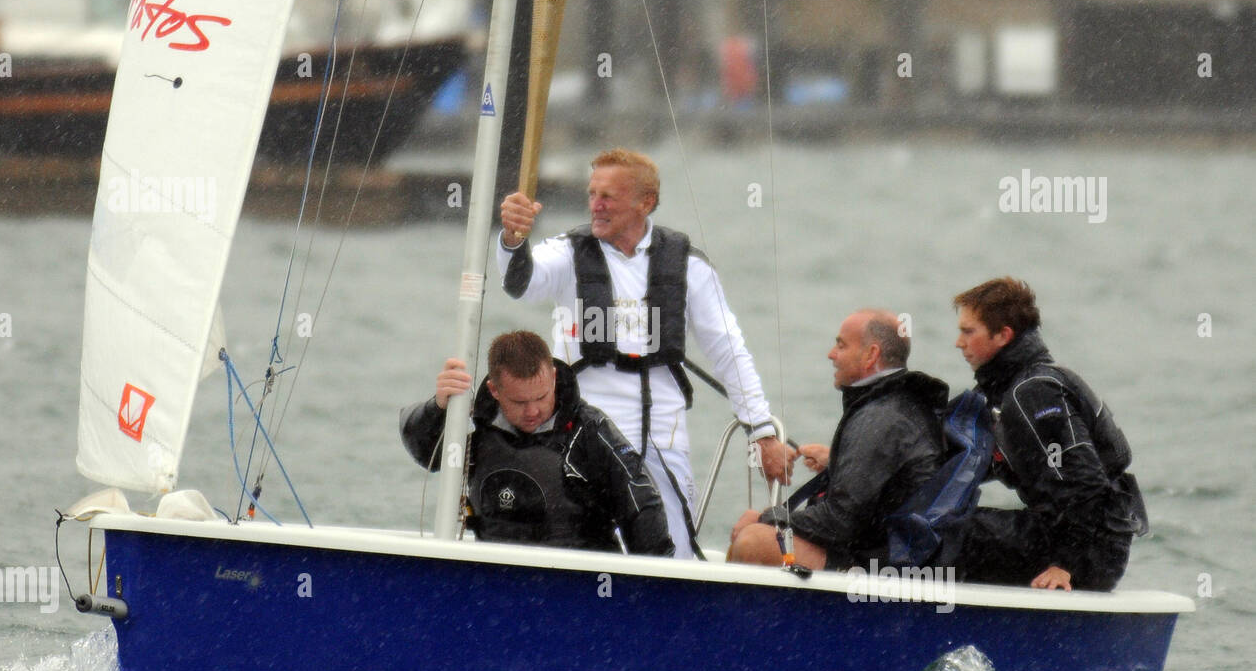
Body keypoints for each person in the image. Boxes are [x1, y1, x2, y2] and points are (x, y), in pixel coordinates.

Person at [496, 148, 791, 559]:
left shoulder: (688, 266)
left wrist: (761, 430)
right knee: (575, 543)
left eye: (608, 197)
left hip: (661, 433)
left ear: (645, 202)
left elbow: (729, 350)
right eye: (592, 193)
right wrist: (513, 239)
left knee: (673, 550)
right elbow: (520, 283)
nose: (595, 205)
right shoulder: (567, 254)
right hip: (583, 431)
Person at [945, 278, 1147, 591]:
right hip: (1061, 533)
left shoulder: (1035, 392)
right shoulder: (999, 393)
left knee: (946, 535)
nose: (959, 342)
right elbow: (955, 457)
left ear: (1003, 335)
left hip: (1090, 550)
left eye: (968, 332)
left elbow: (1086, 485)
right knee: (944, 523)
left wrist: (1065, 564)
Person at [400, 330, 674, 556]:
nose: (533, 411)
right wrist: (438, 407)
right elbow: (423, 451)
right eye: (520, 402)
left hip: (578, 582)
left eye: (541, 397)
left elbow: (643, 506)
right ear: (495, 390)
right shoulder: (474, 426)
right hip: (498, 578)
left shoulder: (590, 431)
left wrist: (650, 589)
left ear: (553, 378)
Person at [726, 309, 947, 571]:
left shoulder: (881, 417)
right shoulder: (894, 405)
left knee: (753, 540)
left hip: (882, 564)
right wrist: (838, 463)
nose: (831, 354)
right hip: (883, 548)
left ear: (871, 355)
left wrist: (766, 518)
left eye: (841, 345)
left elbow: (840, 520)